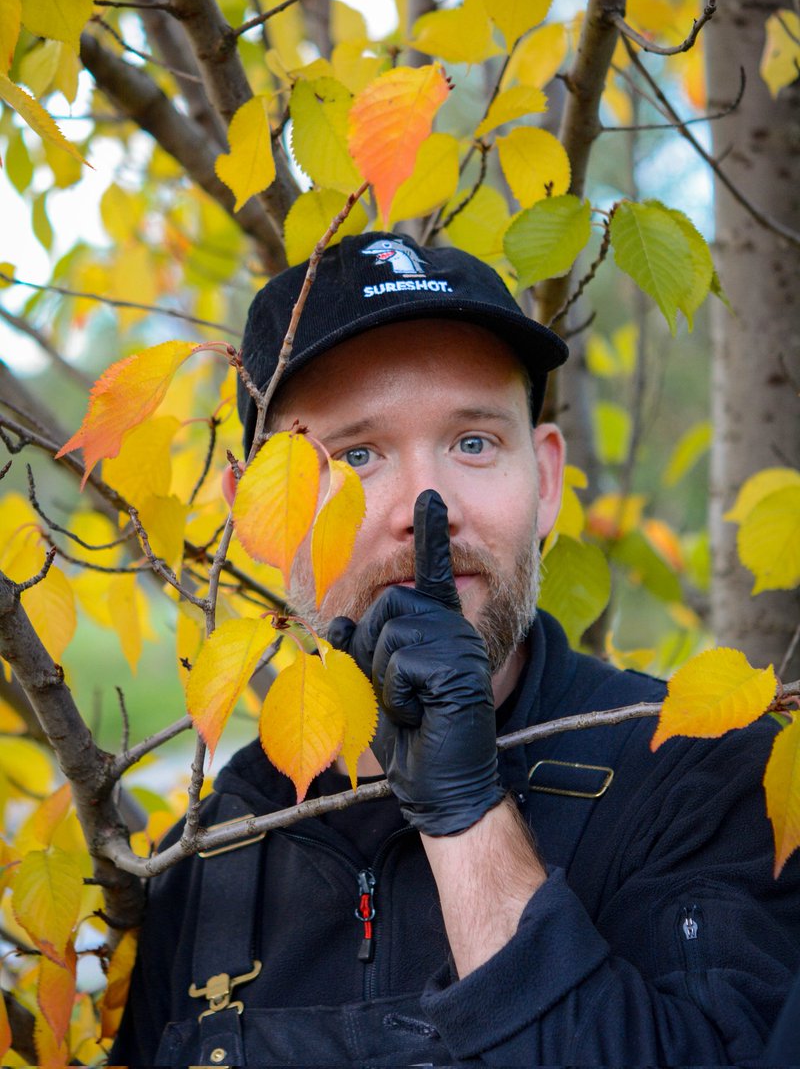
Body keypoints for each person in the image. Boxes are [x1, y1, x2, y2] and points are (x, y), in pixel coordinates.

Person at [112, 232, 800, 1067]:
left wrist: (466, 811)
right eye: (356, 456)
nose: (427, 507)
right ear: (258, 514)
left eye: (474, 442)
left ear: (546, 481)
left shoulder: (709, 776)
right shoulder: (217, 849)